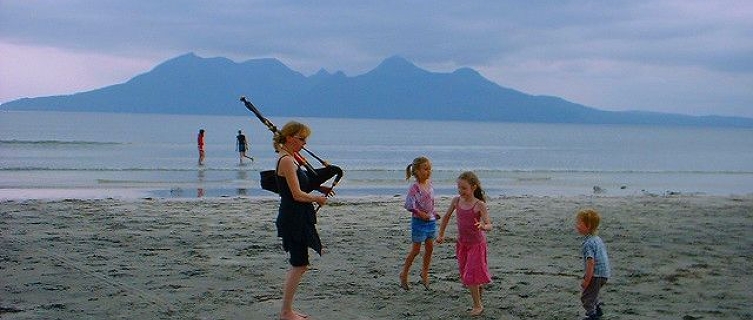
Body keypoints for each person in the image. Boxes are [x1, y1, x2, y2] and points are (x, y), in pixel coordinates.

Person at [273, 121, 329, 320]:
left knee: (299, 264)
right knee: (299, 264)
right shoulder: (287, 160)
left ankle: (287, 310)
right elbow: (296, 194)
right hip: (292, 218)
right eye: (301, 139)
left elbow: (296, 186)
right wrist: (317, 198)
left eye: (305, 139)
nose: (304, 143)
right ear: (289, 138)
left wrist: (320, 189)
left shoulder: (291, 159)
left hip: (296, 216)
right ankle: (286, 312)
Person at [437, 171, 492, 317]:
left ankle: (477, 305)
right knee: (466, 273)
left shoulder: (479, 205)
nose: (461, 191)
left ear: (473, 187)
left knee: (471, 275)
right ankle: (478, 295)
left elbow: (489, 224)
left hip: (477, 245)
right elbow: (446, 217)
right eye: (459, 188)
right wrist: (441, 234)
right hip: (462, 244)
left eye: (464, 188)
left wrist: (482, 226)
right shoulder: (456, 201)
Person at [399, 156, 440, 291]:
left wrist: (434, 212)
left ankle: (425, 272)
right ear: (416, 171)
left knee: (430, 248)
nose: (428, 172)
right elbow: (409, 205)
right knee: (416, 250)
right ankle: (404, 273)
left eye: (429, 169)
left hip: (430, 221)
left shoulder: (430, 184)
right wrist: (420, 213)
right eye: (425, 169)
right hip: (419, 222)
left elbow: (430, 202)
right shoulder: (415, 187)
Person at [575, 208, 611, 320]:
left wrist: (586, 280)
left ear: (588, 226)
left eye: (579, 223)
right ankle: (598, 309)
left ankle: (592, 316)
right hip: (604, 274)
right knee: (593, 294)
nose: (576, 225)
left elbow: (591, 263)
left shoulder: (588, 244)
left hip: (596, 275)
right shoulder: (597, 239)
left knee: (586, 298)